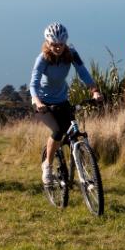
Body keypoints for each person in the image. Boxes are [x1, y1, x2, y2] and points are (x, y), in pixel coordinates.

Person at [30, 22, 102, 186]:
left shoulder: (71, 53)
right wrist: (38, 101)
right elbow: (33, 85)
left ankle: (81, 171)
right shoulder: (42, 59)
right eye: (54, 45)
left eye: (61, 44)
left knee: (72, 134)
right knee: (57, 131)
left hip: (62, 100)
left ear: (65, 43)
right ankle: (47, 166)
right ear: (48, 43)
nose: (58, 48)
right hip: (43, 104)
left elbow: (83, 72)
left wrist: (94, 91)